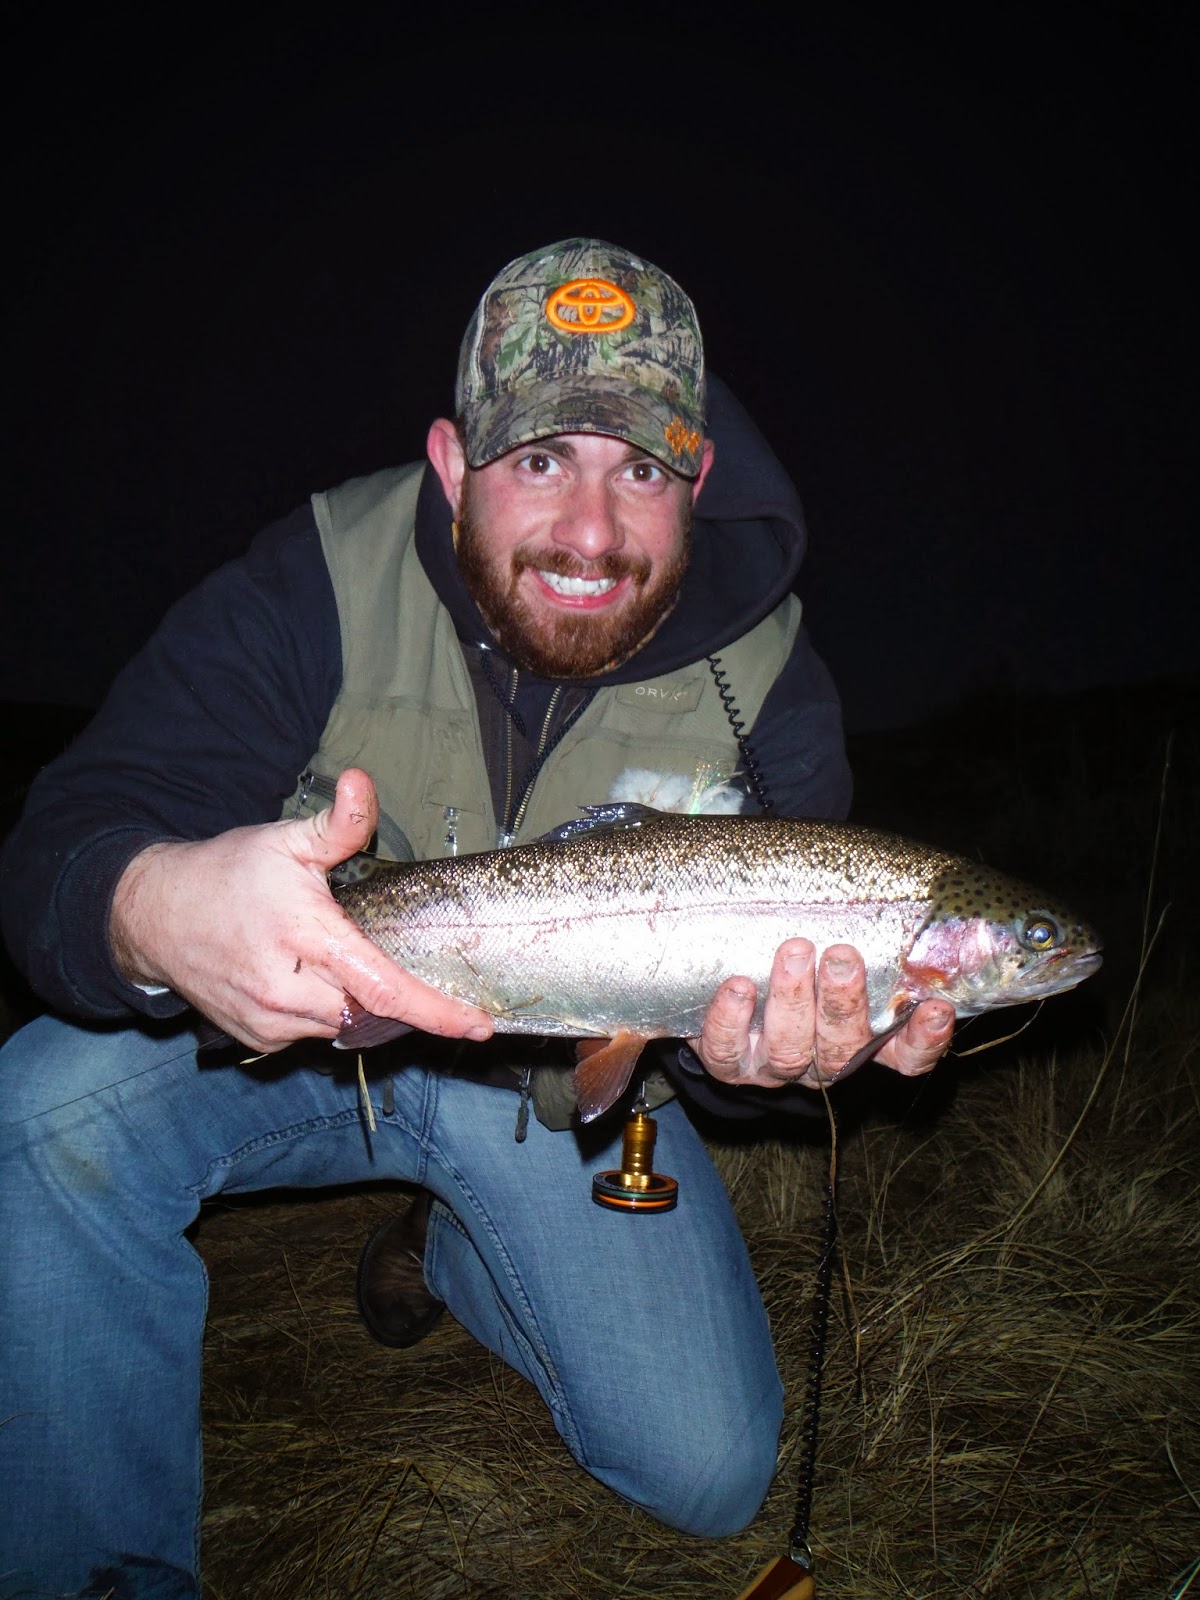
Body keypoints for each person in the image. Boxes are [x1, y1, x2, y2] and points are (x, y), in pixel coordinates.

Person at [0, 238, 953, 1596]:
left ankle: (452, 1255)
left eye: (641, 469)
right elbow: (69, 835)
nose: (589, 530)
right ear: (452, 465)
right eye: (541, 461)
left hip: (554, 1109)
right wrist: (149, 908)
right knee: (29, 1119)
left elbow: (747, 1080)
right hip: (303, 1031)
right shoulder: (315, 578)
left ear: (699, 484)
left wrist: (775, 1074)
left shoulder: (772, 684)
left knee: (710, 1472)